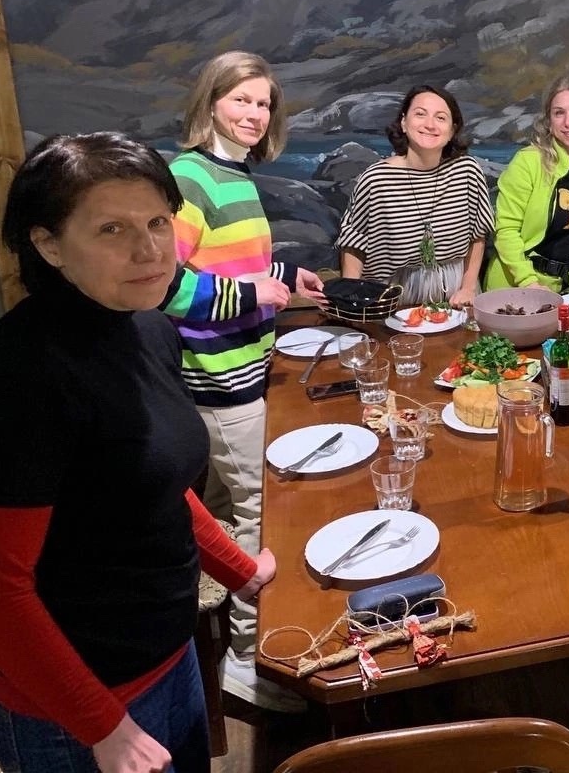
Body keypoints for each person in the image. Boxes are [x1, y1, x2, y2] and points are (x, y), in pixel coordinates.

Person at [0, 133, 277, 773]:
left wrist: (238, 569)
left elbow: (150, 480)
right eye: (112, 229)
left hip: (168, 651)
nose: (149, 249)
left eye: (157, 222)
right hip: (75, 704)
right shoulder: (23, 373)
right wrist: (101, 724)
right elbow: (2, 587)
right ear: (48, 245)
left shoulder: (147, 326)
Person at [159, 51, 322, 712]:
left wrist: (283, 277)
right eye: (242, 100)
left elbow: (228, 265)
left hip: (248, 371)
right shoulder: (189, 178)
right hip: (220, 381)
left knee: (233, 514)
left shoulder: (232, 172)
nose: (255, 114)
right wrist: (253, 293)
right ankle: (250, 663)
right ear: (211, 102)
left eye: (264, 103)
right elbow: (164, 285)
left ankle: (232, 643)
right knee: (262, 516)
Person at [337, 84, 494, 306]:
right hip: (392, 294)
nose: (430, 124)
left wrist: (468, 289)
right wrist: (352, 302)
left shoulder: (467, 171)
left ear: (452, 130)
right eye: (420, 114)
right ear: (403, 122)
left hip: (454, 290)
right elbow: (353, 244)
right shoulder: (376, 179)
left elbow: (478, 235)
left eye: (441, 118)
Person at [486, 76, 569, 295]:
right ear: (549, 122)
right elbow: (506, 230)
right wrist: (529, 283)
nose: (568, 122)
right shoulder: (528, 162)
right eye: (559, 113)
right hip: (516, 285)